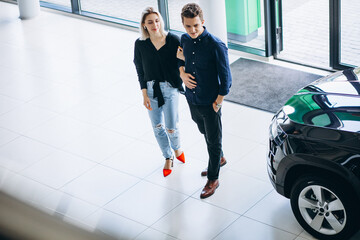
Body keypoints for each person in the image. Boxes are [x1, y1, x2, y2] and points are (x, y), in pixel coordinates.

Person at [177, 3, 232, 198]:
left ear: (203, 22)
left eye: (196, 26)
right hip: (192, 98)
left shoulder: (216, 45)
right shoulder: (185, 39)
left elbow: (226, 78)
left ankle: (213, 178)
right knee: (203, 130)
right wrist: (182, 72)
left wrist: (218, 101)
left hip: (210, 102)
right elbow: (180, 60)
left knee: (213, 140)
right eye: (188, 26)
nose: (192, 30)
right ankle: (220, 158)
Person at [133, 7, 185, 177]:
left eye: (157, 20)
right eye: (150, 22)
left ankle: (177, 148)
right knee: (157, 127)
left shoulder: (173, 40)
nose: (155, 24)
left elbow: (182, 63)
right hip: (150, 89)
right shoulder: (140, 44)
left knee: (171, 127)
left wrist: (183, 62)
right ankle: (168, 156)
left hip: (170, 88)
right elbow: (140, 69)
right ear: (144, 25)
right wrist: (144, 93)